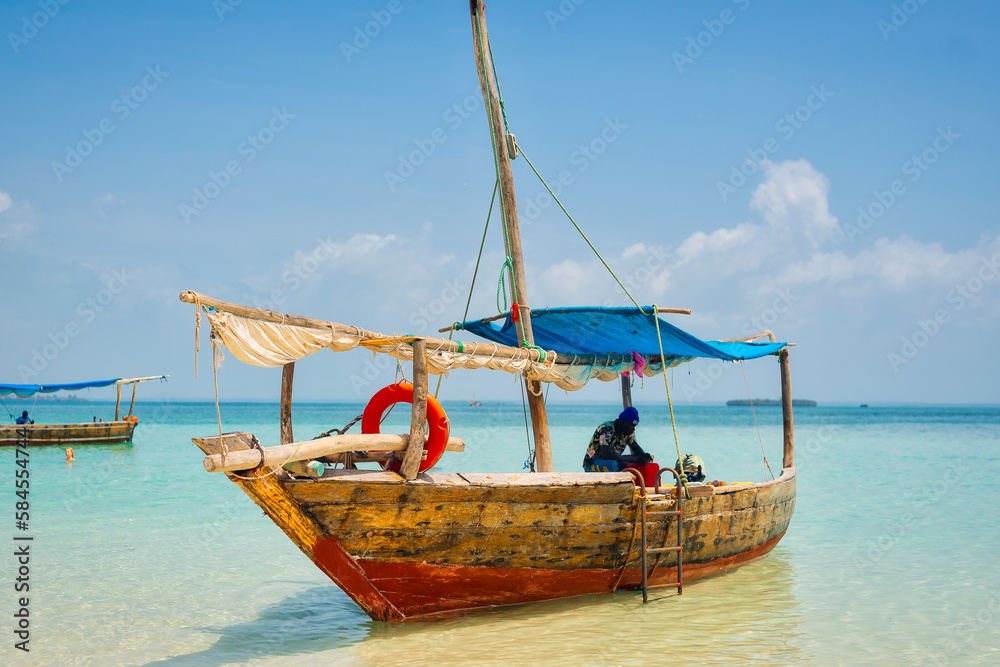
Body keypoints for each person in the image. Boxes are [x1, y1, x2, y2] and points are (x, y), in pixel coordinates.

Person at [583, 406, 652, 472]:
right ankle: (618, 482)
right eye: (631, 426)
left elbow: (636, 448)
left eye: (634, 426)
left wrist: (644, 455)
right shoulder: (607, 428)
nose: (633, 429)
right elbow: (606, 455)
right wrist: (634, 459)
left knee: (637, 461)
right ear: (622, 422)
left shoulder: (626, 433)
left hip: (614, 461)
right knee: (612, 464)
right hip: (592, 464)